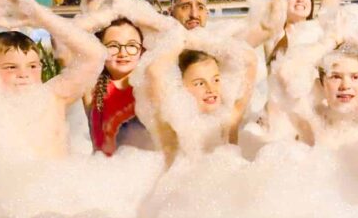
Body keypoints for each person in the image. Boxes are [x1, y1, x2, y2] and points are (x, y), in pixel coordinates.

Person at [0, 0, 107, 158]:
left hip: (57, 181)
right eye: (11, 67)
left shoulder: (54, 96)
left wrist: (42, 18)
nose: (23, 74)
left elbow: (95, 56)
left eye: (32, 66)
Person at [143, 37, 255, 166]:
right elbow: (153, 72)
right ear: (179, 87)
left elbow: (250, 60)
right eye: (200, 83)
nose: (211, 89)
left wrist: (202, 39)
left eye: (216, 80)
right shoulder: (173, 127)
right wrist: (179, 39)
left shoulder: (229, 120)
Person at [82, 18, 150, 155]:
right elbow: (63, 41)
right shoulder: (90, 84)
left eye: (131, 45)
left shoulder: (151, 85)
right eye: (113, 46)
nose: (123, 53)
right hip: (102, 171)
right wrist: (103, 15)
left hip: (144, 168)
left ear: (142, 51)